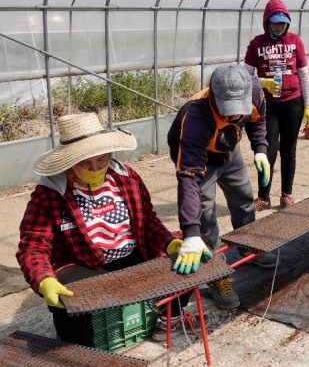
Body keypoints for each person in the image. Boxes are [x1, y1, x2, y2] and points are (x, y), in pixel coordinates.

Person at [16, 113, 193, 346]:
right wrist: (43, 279)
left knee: (187, 258)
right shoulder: (50, 194)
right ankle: (80, 349)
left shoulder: (126, 178)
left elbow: (147, 221)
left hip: (130, 253)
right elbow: (33, 246)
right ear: (69, 162)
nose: (95, 167)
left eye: (101, 160)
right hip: (84, 263)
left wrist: (168, 243)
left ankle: (169, 316)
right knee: (72, 296)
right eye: (85, 163)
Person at [167, 64, 277, 310]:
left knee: (243, 196)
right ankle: (217, 274)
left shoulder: (256, 92)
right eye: (227, 111)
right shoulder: (197, 117)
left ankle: (249, 243)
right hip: (199, 157)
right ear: (215, 97)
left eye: (237, 111)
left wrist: (260, 150)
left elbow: (258, 121)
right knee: (205, 214)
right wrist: (190, 234)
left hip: (229, 147)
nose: (234, 117)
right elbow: (188, 178)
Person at [244, 0, 309, 211]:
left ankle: (287, 194)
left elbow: (303, 74)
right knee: (267, 152)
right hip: (268, 107)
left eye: (283, 22)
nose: (279, 26)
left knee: (289, 149)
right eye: (275, 22)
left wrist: (308, 104)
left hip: (293, 104)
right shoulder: (256, 44)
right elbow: (244, 77)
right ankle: (264, 197)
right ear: (267, 22)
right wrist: (261, 82)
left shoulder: (295, 41)